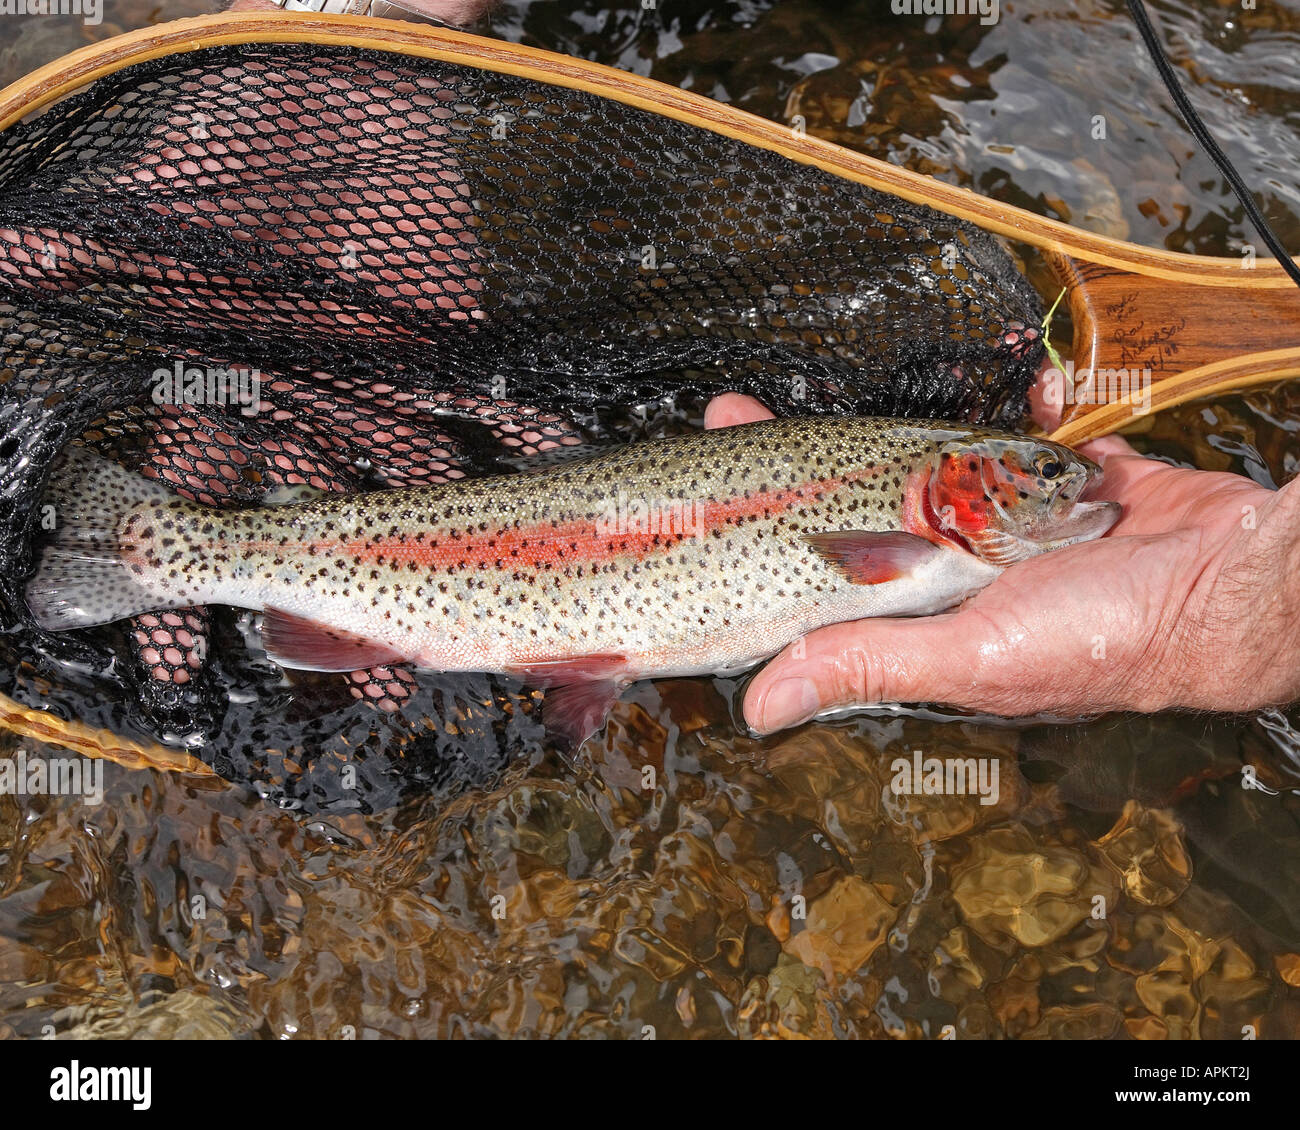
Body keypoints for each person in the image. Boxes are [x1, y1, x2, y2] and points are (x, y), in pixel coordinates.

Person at [234, 0, 1300, 732]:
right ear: (947, 498)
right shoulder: (911, 534)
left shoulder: (915, 524)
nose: (1071, 483)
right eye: (1042, 476)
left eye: (1047, 479)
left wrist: (1244, 609)